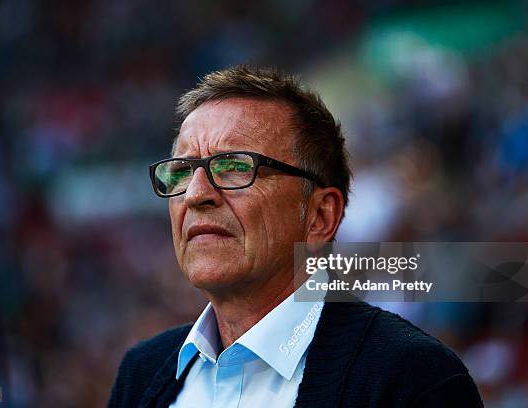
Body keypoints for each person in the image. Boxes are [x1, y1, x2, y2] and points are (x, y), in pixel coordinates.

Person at [108, 66, 483, 407]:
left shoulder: (414, 379)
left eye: (236, 166)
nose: (194, 194)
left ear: (321, 215)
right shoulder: (140, 374)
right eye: (182, 170)